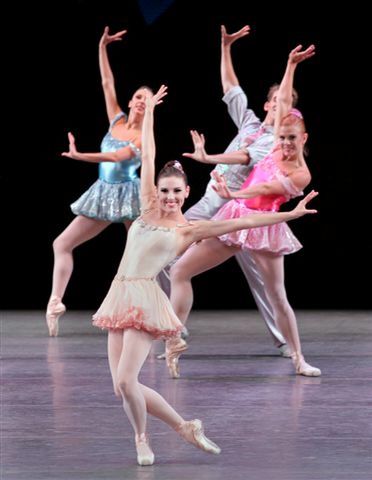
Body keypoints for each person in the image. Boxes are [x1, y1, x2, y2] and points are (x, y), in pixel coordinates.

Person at [91, 85, 319, 466]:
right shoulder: (147, 208)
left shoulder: (188, 230)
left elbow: (248, 218)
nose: (169, 197)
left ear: (186, 192)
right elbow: (148, 154)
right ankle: (184, 427)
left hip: (147, 301)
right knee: (120, 387)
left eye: (176, 192)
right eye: (164, 191)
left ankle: (143, 440)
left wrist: (289, 215)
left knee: (128, 381)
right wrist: (150, 116)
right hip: (118, 296)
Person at [167, 44, 321, 379]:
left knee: (277, 295)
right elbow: (277, 111)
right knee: (179, 269)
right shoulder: (268, 136)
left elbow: (265, 190)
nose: (285, 142)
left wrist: (229, 186)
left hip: (264, 225)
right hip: (234, 216)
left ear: (303, 137)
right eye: (282, 136)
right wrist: (290, 63)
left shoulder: (299, 173)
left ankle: (298, 357)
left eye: (292, 138)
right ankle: (173, 336)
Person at [46, 27, 152, 336]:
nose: (140, 101)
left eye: (147, 100)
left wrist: (81, 157)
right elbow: (107, 82)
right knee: (62, 243)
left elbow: (117, 158)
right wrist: (102, 47)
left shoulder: (144, 136)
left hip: (130, 196)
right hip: (103, 193)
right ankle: (55, 301)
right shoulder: (117, 120)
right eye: (137, 97)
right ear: (131, 101)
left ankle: (148, 313)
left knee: (138, 257)